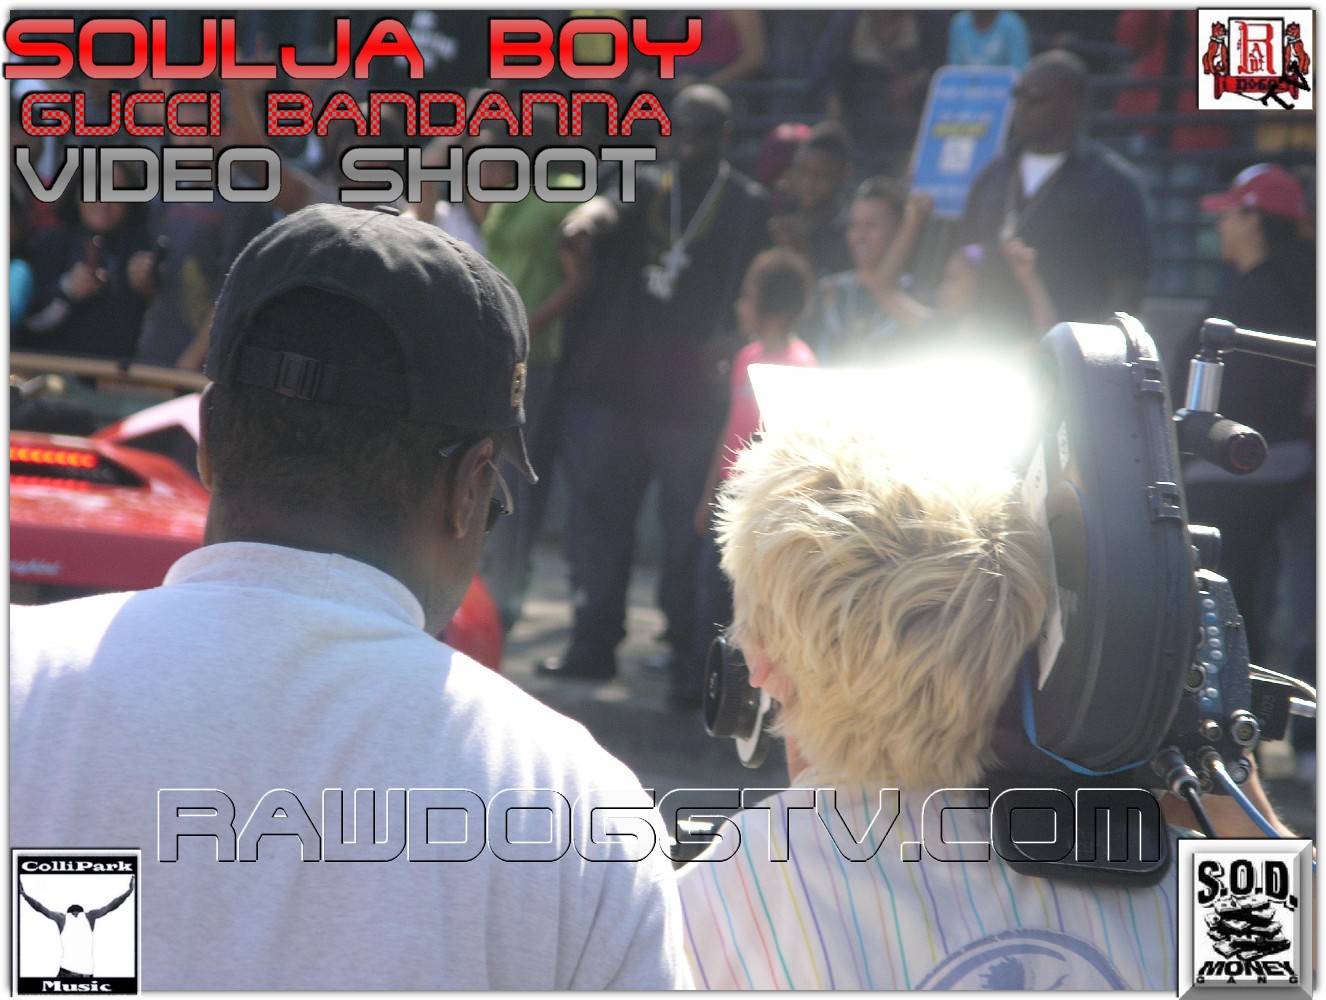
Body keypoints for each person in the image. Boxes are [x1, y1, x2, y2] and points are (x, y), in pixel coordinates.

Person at [10, 204, 691, 990]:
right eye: (495, 501)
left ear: (209, 437)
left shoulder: (19, 684)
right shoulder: (576, 807)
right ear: (468, 488)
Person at [676, 421, 1296, 989]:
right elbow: (1286, 974)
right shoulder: (1151, 872)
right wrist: (1218, 768)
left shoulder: (729, 890)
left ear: (760, 665)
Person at [541, 84, 769, 695]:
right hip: (618, 385)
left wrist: (733, 339)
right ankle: (592, 646)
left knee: (686, 536)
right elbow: (606, 206)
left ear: (725, 136)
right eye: (679, 128)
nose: (686, 141)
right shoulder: (645, 181)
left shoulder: (747, 203)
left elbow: (757, 285)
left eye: (701, 131)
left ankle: (689, 662)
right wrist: (585, 219)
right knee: (597, 525)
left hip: (690, 402)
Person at [682, 248, 817, 711]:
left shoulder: (800, 365)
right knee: (708, 589)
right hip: (730, 493)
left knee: (749, 605)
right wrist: (708, 495)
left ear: (773, 309)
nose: (740, 306)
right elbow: (730, 429)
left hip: (764, 502)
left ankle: (744, 698)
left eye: (748, 296)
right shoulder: (746, 357)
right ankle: (699, 685)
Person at [955, 50, 1152, 345]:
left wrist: (1099, 356)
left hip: (1068, 354)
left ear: (1073, 105)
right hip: (988, 350)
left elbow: (1127, 286)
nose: (1022, 106)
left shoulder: (1113, 184)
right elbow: (963, 258)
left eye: (1036, 97)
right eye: (1018, 95)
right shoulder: (991, 176)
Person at [811, 178, 931, 364]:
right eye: (854, 226)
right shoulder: (829, 291)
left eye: (871, 226)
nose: (860, 236)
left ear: (899, 229)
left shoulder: (915, 296)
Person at [19, 877, 135, 980]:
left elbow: (40, 907)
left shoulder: (62, 918)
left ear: (69, 912)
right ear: (81, 911)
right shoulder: (90, 916)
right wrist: (129, 891)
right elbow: (112, 905)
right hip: (87, 973)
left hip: (67, 971)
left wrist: (24, 895)